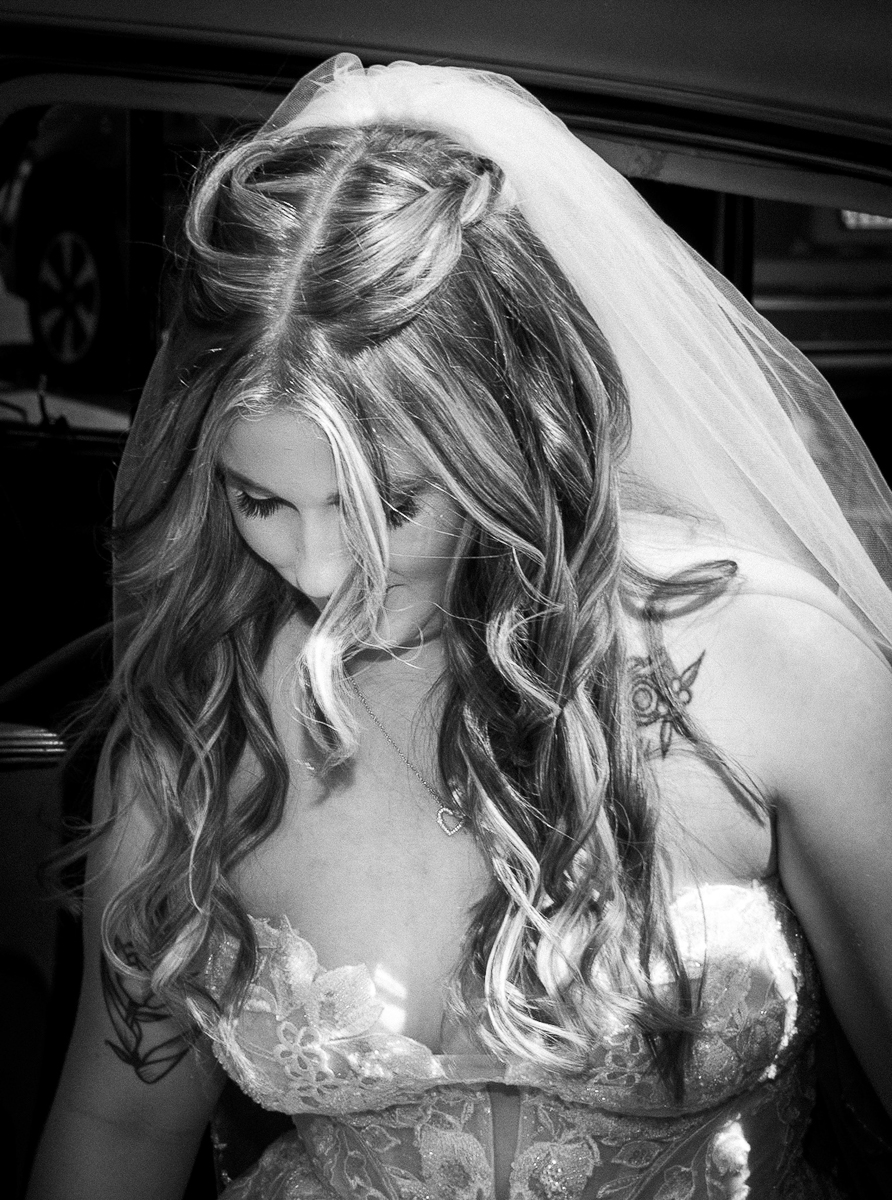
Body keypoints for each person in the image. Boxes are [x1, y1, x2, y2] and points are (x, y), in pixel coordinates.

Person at [27, 55, 892, 1200]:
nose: (321, 569)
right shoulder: (201, 726)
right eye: (259, 501)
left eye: (384, 504)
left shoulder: (773, 664)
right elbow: (119, 1135)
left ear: (511, 433)